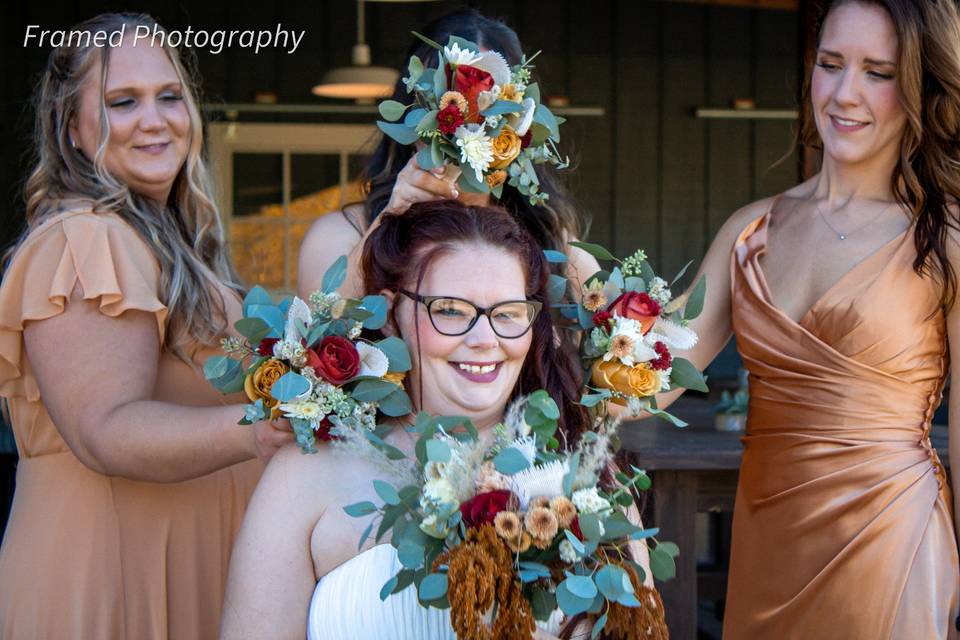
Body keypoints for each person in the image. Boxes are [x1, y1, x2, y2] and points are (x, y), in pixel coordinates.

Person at [220, 200, 658, 640]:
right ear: (390, 316)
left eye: (507, 313)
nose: (485, 340)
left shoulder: (586, 473)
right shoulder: (303, 476)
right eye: (450, 310)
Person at [661, 0, 960, 636]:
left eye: (878, 72)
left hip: (888, 543)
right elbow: (648, 378)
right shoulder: (752, 230)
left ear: (919, 88)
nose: (845, 93)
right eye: (830, 64)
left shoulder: (946, 239)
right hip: (767, 543)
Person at [0, 13, 294, 639]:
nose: (155, 119)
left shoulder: (166, 239)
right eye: (122, 102)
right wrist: (261, 431)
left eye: (168, 96)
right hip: (116, 576)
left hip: (189, 562)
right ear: (71, 127)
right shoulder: (85, 240)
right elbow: (107, 428)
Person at [297, 9, 599, 302]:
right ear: (411, 114)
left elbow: (610, 329)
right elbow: (319, 321)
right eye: (443, 101)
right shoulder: (344, 231)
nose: (466, 127)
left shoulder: (551, 237)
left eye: (489, 108)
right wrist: (391, 217)